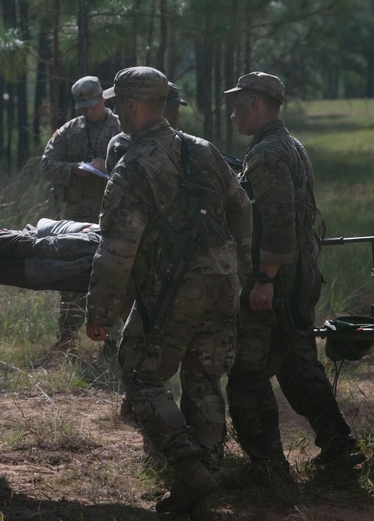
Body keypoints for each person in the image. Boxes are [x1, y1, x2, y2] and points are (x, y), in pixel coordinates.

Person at [85, 66, 252, 515]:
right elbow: (241, 210)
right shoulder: (203, 150)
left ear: (134, 107)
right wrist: (242, 270)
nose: (116, 113)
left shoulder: (133, 166)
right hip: (223, 285)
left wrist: (99, 311)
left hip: (173, 292)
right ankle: (207, 478)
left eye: (119, 104)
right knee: (203, 378)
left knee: (140, 375)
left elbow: (116, 251)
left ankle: (189, 469)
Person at [223, 71, 361, 477]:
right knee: (298, 367)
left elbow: (278, 221)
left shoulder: (267, 154)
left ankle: (268, 468)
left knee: (247, 374)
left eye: (237, 104)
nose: (232, 113)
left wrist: (264, 279)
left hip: (278, 281)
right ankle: (340, 445)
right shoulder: (289, 144)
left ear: (257, 104)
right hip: (298, 274)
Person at [39, 76, 121, 347]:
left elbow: (139, 166)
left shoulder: (121, 128)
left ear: (102, 98)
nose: (88, 111)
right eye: (83, 107)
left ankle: (113, 341)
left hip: (113, 214)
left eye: (92, 105)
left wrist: (108, 168)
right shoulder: (68, 131)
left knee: (113, 274)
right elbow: (47, 165)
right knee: (71, 275)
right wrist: (74, 168)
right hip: (76, 214)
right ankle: (66, 338)